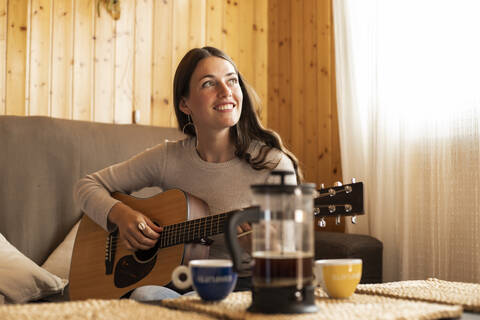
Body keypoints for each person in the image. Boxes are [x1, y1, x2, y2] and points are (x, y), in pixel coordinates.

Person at [75, 46, 302, 301]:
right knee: (145, 294)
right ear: (185, 103)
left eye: (232, 81)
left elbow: (288, 269)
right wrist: (122, 216)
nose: (226, 91)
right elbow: (87, 186)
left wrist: (262, 250)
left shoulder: (273, 165)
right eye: (209, 83)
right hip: (176, 286)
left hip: (238, 291)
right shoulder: (168, 158)